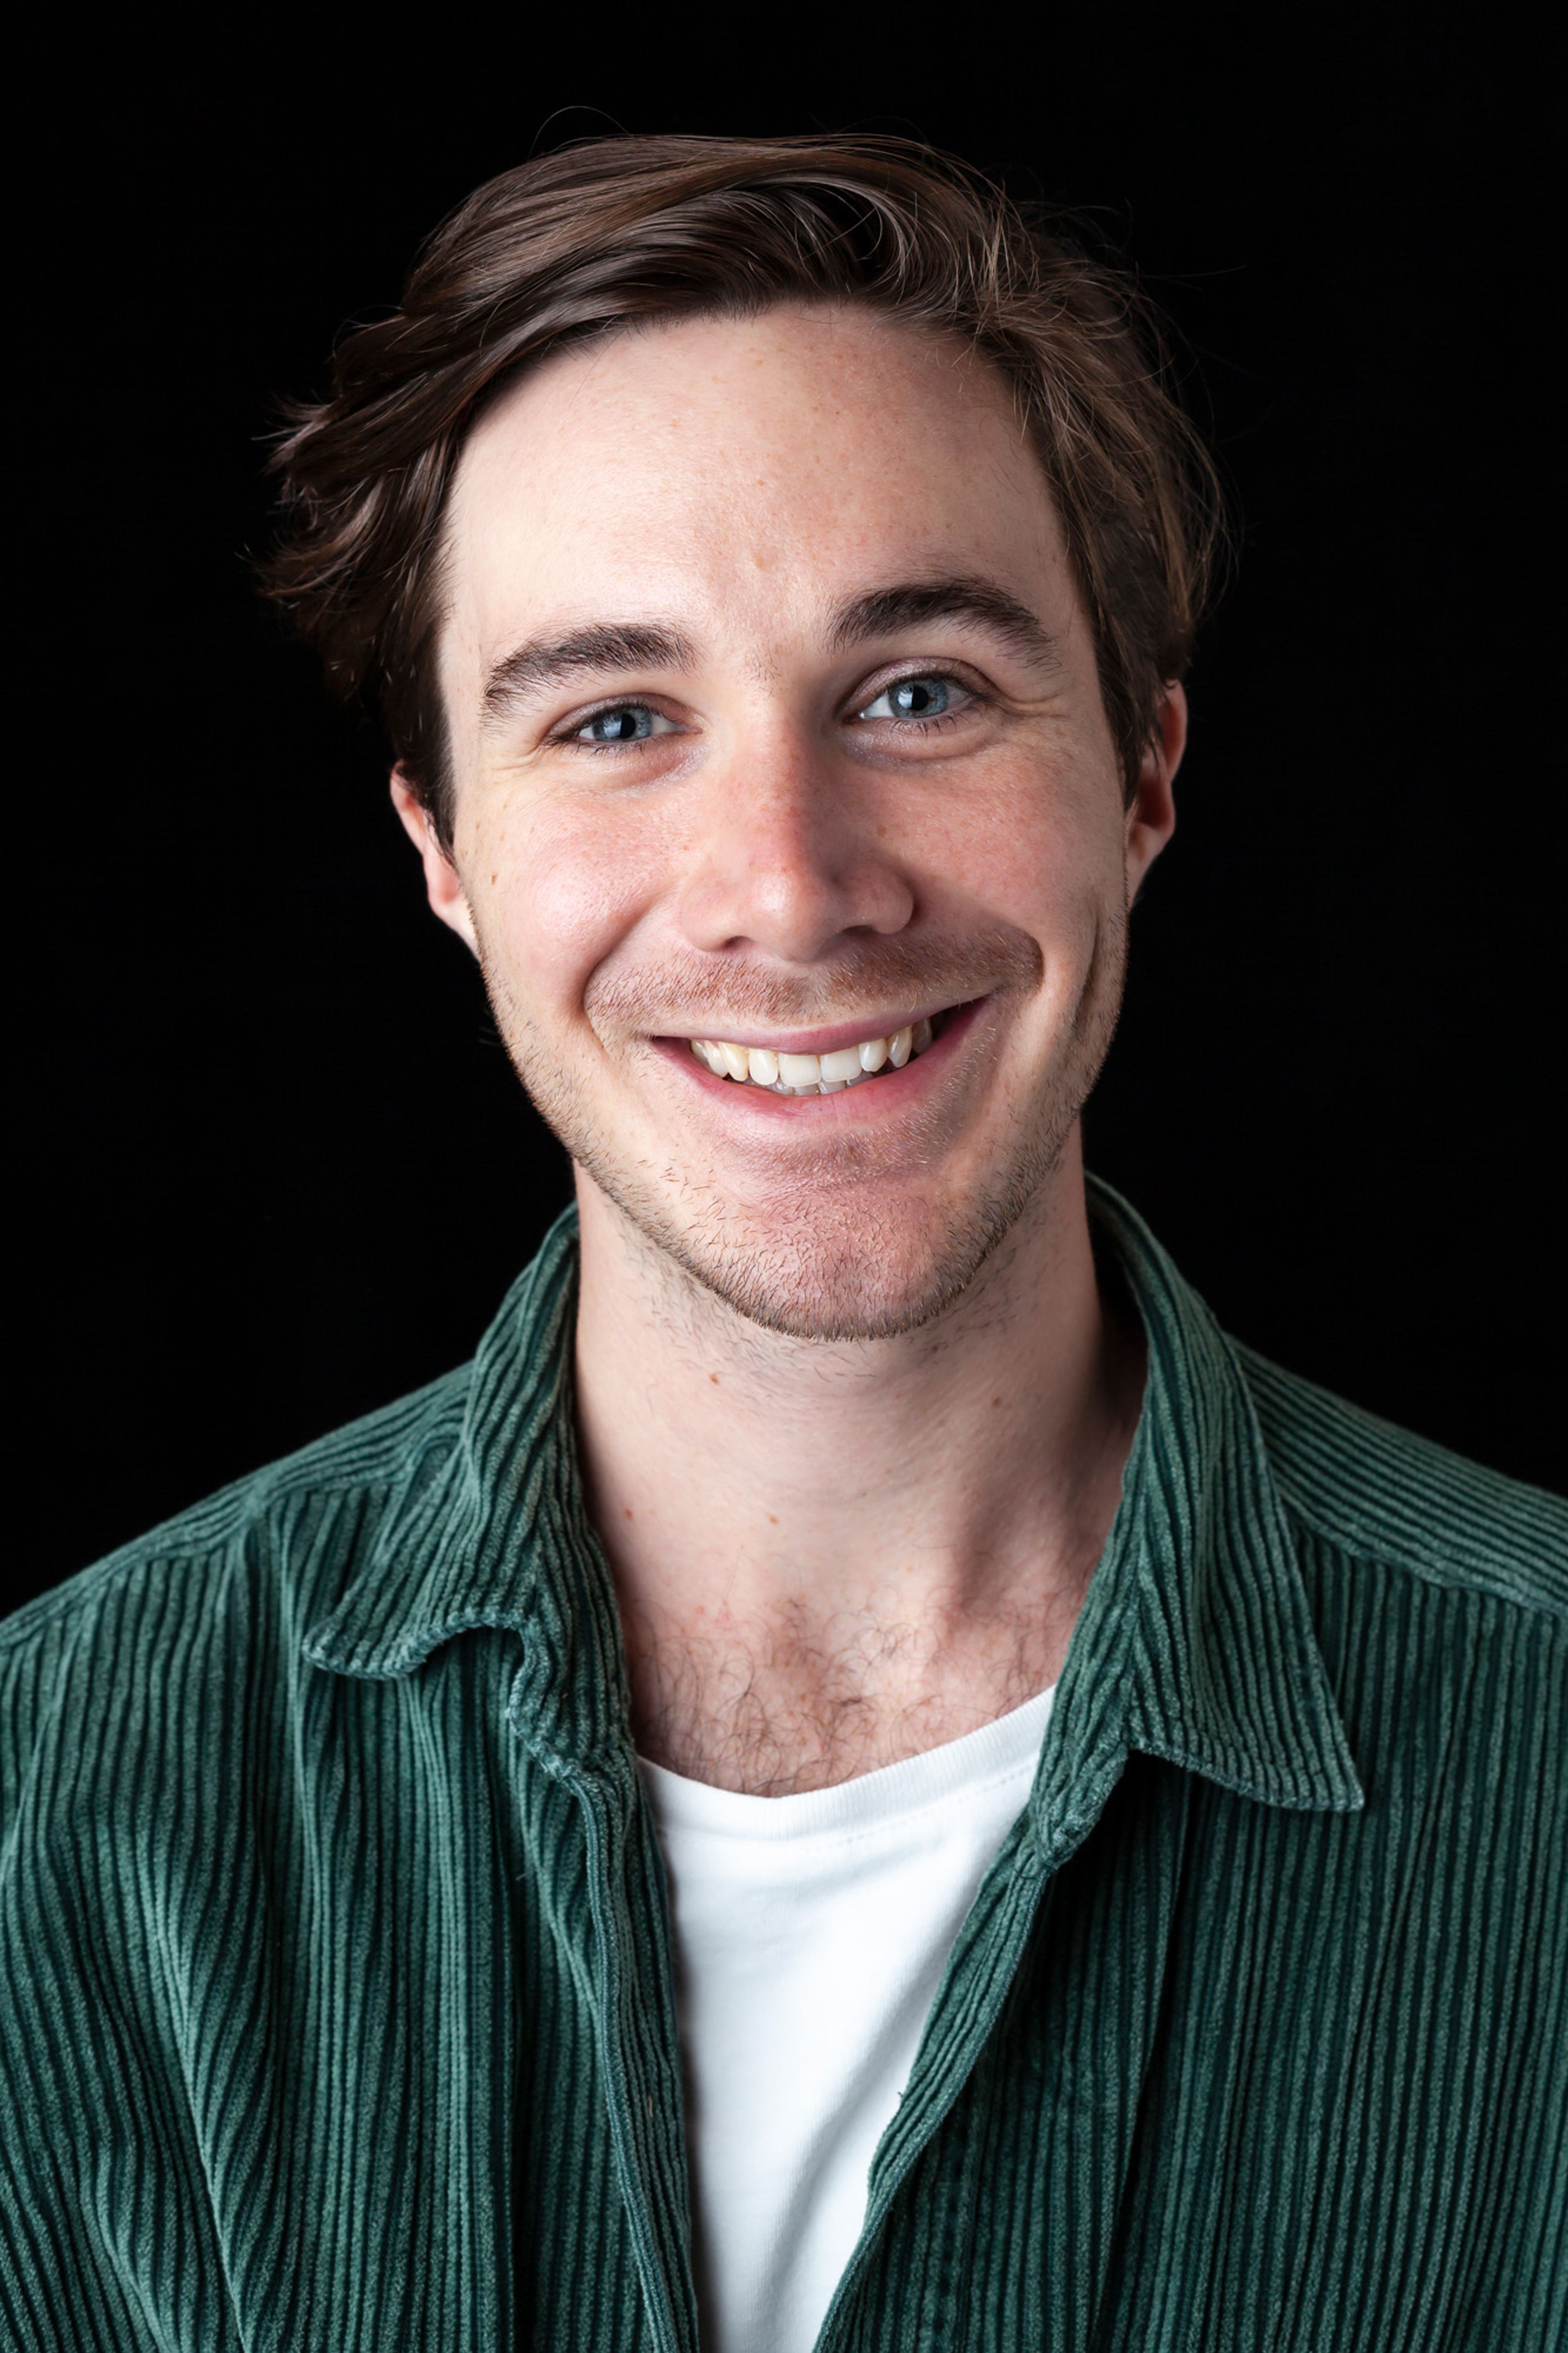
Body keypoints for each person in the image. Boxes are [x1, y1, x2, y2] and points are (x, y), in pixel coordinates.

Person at [2, 135, 1562, 2353]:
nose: (790, 884)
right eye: (616, 720)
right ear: (443, 852)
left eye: (917, 689)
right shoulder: (57, 1812)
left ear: (1142, 771)